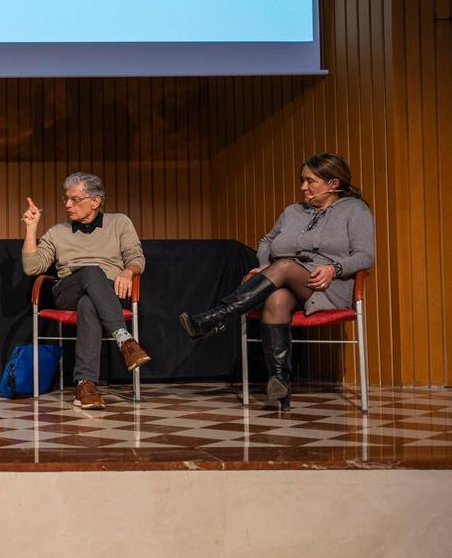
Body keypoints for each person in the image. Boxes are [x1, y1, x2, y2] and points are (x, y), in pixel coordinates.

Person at [179, 153, 374, 410]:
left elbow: (365, 256)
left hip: (325, 286)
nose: (303, 187)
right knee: (275, 298)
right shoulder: (293, 211)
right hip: (285, 281)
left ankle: (216, 318)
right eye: (302, 181)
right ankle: (280, 382)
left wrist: (334, 269)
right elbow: (267, 242)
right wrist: (262, 265)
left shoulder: (355, 210)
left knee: (281, 265)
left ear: (333, 184)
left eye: (310, 181)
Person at [21, 172, 151, 410]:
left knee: (89, 305)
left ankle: (85, 386)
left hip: (106, 294)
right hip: (68, 291)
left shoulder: (119, 222)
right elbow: (32, 267)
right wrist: (31, 229)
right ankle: (125, 340)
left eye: (75, 199)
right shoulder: (57, 232)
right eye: (66, 199)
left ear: (95, 201)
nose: (68, 205)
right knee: (92, 272)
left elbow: (135, 257)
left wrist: (127, 272)